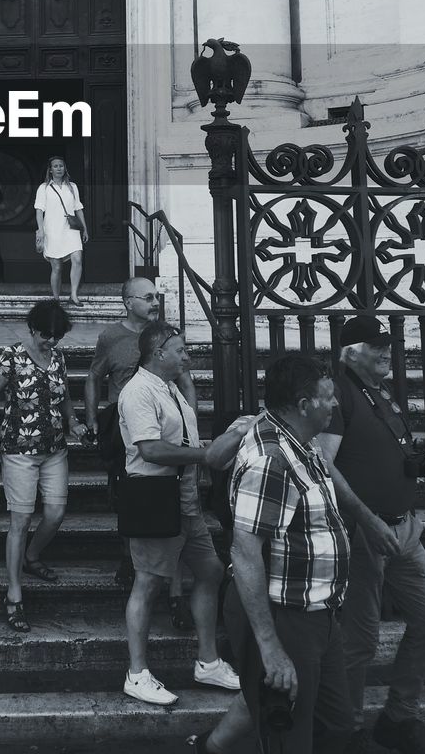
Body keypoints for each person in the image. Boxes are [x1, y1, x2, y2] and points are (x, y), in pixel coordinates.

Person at [317, 316, 425, 754]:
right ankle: (346, 731)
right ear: (351, 352)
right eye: (377, 347)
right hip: (364, 531)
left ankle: (397, 718)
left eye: (388, 346)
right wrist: (368, 519)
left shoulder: (381, 393)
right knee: (360, 638)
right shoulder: (338, 394)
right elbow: (324, 465)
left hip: (403, 528)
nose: (387, 353)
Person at [118, 321, 253, 706]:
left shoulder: (171, 388)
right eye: (179, 350)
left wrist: (222, 443)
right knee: (147, 582)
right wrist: (205, 454)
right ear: (158, 351)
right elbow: (151, 450)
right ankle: (137, 673)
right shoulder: (139, 391)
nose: (186, 356)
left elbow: (183, 443)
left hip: (185, 499)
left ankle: (208, 661)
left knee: (210, 570)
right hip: (156, 498)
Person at [226, 351, 353, 754]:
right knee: (290, 737)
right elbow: (245, 553)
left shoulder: (302, 442)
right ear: (304, 404)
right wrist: (270, 647)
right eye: (328, 397)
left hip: (319, 613)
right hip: (286, 617)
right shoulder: (271, 460)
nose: (335, 404)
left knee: (335, 726)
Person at [0, 299, 85, 633]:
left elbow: (64, 393)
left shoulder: (58, 358)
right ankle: (13, 593)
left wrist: (73, 420)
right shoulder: (12, 356)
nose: (51, 341)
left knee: (55, 513)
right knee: (20, 520)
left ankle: (31, 556)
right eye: (46, 335)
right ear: (33, 328)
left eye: (57, 336)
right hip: (19, 449)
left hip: (54, 448)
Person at [84, 276, 174, 586]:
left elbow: (184, 378)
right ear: (128, 303)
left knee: (163, 487)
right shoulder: (110, 337)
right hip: (121, 424)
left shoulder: (164, 335)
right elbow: (94, 376)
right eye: (148, 298)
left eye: (155, 297)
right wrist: (93, 417)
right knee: (125, 490)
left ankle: (164, 560)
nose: (155, 303)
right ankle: (129, 556)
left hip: (160, 422)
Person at [34, 155, 89, 305]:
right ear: (50, 170)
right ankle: (56, 299)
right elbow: (39, 211)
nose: (59, 168)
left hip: (71, 229)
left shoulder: (73, 187)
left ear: (65, 168)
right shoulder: (43, 188)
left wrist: (84, 229)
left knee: (77, 258)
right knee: (57, 267)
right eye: (55, 166)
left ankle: (74, 295)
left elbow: (79, 209)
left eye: (61, 166)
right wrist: (41, 231)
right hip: (52, 229)